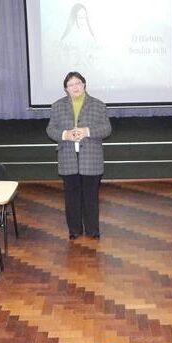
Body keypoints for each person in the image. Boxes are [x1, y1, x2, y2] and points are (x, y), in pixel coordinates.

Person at [46, 71, 111, 239]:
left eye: (78, 83)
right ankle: (74, 230)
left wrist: (87, 131)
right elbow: (50, 129)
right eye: (70, 85)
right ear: (66, 89)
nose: (75, 87)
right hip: (68, 157)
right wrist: (65, 135)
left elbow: (107, 129)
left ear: (84, 85)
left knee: (90, 197)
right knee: (71, 197)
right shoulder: (57, 106)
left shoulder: (98, 105)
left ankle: (92, 230)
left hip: (91, 158)